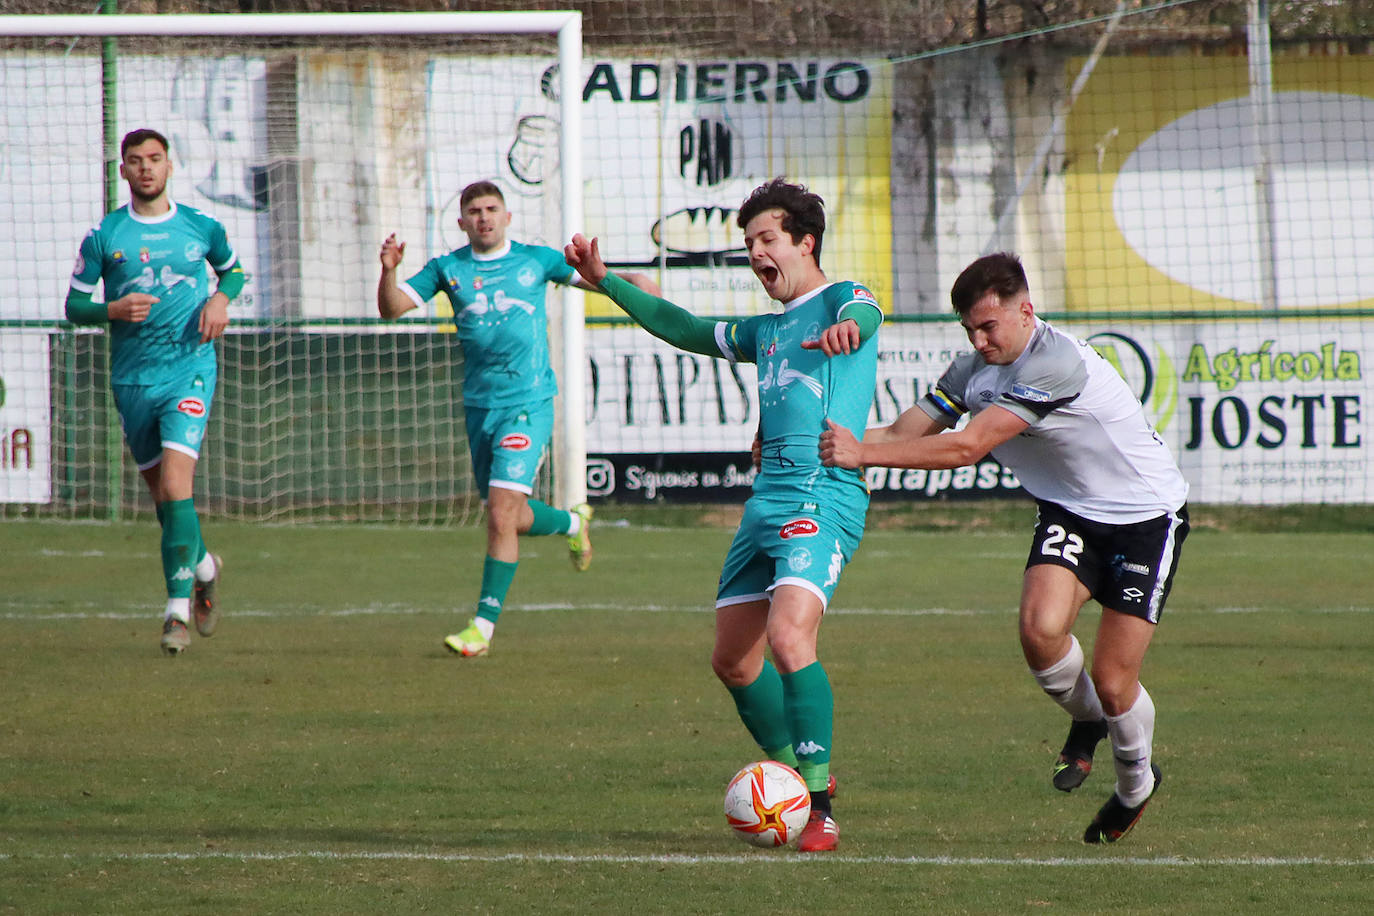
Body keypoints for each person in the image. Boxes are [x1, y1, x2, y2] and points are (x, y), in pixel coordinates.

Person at [820, 252, 1189, 844]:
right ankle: (1089, 723)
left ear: (1026, 311)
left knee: (1114, 678)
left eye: (989, 326)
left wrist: (859, 455)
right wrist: (810, 443)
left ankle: (1134, 784)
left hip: (1144, 518)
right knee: (1039, 633)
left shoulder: (1056, 364)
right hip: (1071, 511)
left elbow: (967, 448)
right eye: (969, 328)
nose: (979, 339)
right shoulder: (972, 370)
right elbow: (897, 435)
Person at [565, 178, 884, 853]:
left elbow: (866, 312)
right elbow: (680, 327)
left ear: (805, 241)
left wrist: (853, 327)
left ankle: (820, 805)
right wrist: (604, 282)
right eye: (748, 244)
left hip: (822, 494)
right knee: (734, 662)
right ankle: (796, 773)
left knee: (791, 640)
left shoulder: (841, 299)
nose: (756, 253)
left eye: (767, 239)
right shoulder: (766, 332)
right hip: (765, 500)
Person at [377, 180, 660, 658]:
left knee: (500, 514)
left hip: (528, 402)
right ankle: (572, 524)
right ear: (461, 221)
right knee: (508, 515)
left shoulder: (536, 260)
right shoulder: (448, 268)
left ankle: (481, 629)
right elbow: (391, 309)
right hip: (479, 406)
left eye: (492, 209)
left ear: (507, 217)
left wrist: (637, 285)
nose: (484, 217)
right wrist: (388, 272)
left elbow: (597, 279)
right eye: (474, 210)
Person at [65, 127, 245, 656]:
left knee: (176, 481)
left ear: (171, 166)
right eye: (136, 161)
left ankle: (176, 612)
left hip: (189, 370)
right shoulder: (105, 236)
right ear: (123, 170)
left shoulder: (201, 227)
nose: (146, 168)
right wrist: (111, 310)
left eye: (155, 159)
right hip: (132, 379)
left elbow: (232, 274)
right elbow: (75, 308)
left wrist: (220, 301)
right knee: (167, 503)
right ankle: (207, 569)